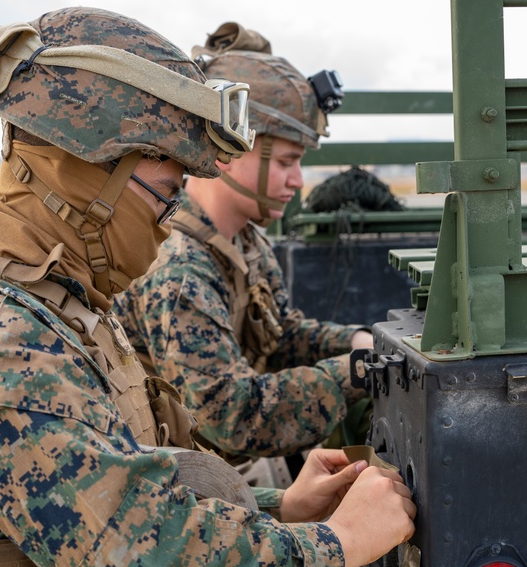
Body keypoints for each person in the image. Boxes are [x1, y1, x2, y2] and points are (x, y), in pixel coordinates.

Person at [0, 7, 414, 567]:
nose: (168, 222)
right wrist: (338, 543)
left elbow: (119, 492)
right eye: (163, 193)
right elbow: (139, 561)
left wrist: (278, 509)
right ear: (83, 171)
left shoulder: (52, 310)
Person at [113, 24, 373, 466]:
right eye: (287, 162)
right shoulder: (180, 267)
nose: (297, 180)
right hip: (186, 478)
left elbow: (282, 334)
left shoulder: (242, 240)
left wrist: (361, 340)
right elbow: (231, 418)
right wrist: (358, 370)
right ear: (229, 150)